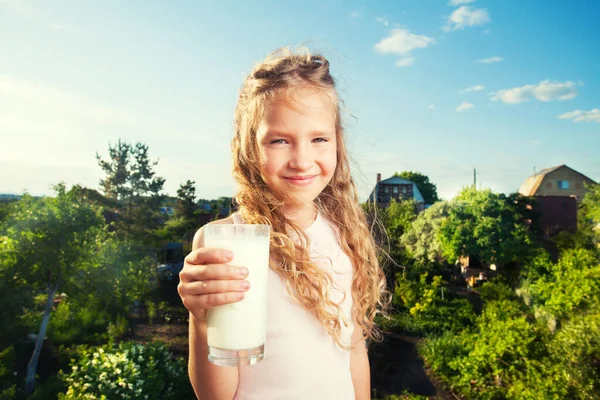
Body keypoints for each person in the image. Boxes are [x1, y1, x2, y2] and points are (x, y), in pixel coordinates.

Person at [177, 48, 389, 400]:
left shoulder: (345, 235)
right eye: (279, 140)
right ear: (250, 147)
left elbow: (353, 354)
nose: (302, 160)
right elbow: (216, 396)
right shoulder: (228, 245)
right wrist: (201, 320)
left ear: (338, 142)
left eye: (319, 139)